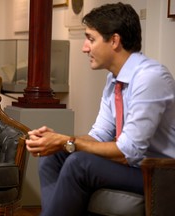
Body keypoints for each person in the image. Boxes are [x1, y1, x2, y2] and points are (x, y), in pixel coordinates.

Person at [26, 2, 175, 216]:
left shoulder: (150, 78)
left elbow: (128, 152)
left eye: (90, 39)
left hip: (161, 172)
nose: (84, 47)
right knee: (52, 156)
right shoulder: (114, 79)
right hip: (134, 167)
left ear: (114, 41)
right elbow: (100, 135)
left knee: (79, 162)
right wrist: (59, 140)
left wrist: (67, 142)